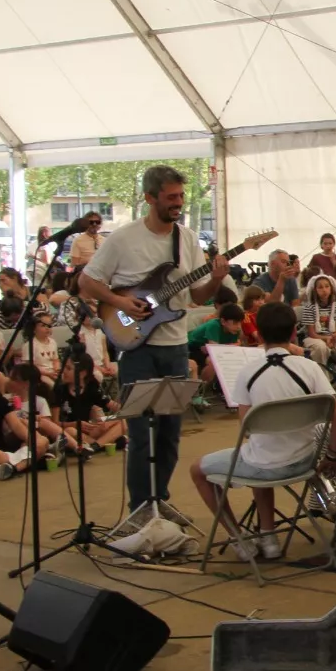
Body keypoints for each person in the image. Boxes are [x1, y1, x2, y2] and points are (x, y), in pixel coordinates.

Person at [79, 164, 231, 514]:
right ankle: (140, 507)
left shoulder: (187, 238)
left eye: (180, 196)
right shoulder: (122, 239)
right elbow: (87, 283)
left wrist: (217, 278)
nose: (178, 203)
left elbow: (196, 297)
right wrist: (120, 302)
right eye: (171, 197)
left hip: (175, 347)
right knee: (141, 434)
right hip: (137, 349)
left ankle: (159, 499)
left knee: (168, 435)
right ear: (150, 198)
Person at [189, 301, 336, 563]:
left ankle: (242, 541)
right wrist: (332, 455)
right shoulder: (310, 368)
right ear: (294, 333)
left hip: (264, 464)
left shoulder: (248, 372)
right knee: (261, 451)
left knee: (200, 469)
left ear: (258, 335)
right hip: (305, 461)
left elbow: (247, 428)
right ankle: (267, 536)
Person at [55, 353, 127, 454]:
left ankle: (95, 446)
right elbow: (54, 423)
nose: (64, 371)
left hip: (88, 431)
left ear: (83, 373)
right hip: (71, 432)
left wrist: (129, 408)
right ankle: (105, 442)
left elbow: (111, 405)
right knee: (69, 431)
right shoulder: (59, 390)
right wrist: (75, 424)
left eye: (68, 368)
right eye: (64, 367)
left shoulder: (91, 386)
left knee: (123, 421)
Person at [298, 273, 336, 377]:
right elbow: (311, 333)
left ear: (332, 289)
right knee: (320, 347)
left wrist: (333, 337)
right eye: (320, 287)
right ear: (315, 290)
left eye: (327, 286)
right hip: (313, 338)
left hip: (332, 336)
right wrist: (326, 338)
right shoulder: (310, 307)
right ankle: (323, 379)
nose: (324, 290)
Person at [188, 302, 244, 391]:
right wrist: (234, 345)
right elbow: (215, 351)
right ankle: (200, 388)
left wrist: (234, 345)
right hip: (192, 348)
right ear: (223, 321)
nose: (239, 326)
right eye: (235, 323)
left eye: (240, 323)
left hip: (206, 349)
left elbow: (229, 349)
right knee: (213, 360)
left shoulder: (234, 330)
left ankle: (223, 386)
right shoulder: (213, 325)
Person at [79, 307, 117, 381]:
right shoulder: (80, 334)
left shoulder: (100, 331)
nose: (91, 318)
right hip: (90, 366)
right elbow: (83, 357)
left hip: (102, 363)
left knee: (119, 369)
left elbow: (105, 351)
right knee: (97, 375)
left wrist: (107, 365)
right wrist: (99, 368)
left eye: (93, 315)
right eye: (88, 316)